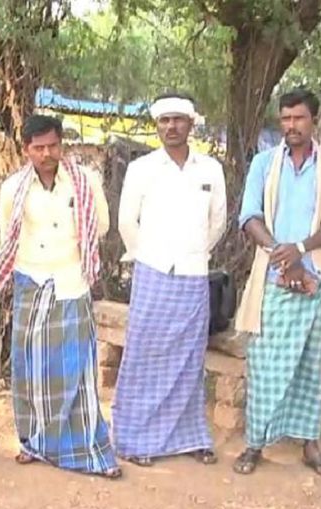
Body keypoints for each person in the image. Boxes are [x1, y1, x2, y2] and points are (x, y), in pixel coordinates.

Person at [0, 114, 121, 479]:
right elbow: (8, 236)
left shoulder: (84, 181)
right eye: (39, 147)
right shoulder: (13, 189)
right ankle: (33, 443)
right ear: (26, 149)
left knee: (76, 370)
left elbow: (102, 226)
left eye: (53, 146)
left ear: (61, 145)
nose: (47, 154)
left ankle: (85, 447)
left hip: (72, 281)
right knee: (32, 370)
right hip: (31, 281)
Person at [233, 88, 321, 479]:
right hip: (272, 275)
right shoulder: (265, 164)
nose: (291, 126)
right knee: (264, 363)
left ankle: (310, 446)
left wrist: (300, 249)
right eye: (285, 119)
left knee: (308, 366)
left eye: (298, 118)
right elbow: (249, 216)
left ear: (314, 120)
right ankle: (255, 443)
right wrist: (281, 253)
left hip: (314, 274)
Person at [113, 93, 227, 467]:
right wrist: (150, 257)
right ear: (156, 125)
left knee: (188, 360)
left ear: (191, 124)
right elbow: (127, 222)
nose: (171, 127)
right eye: (164, 121)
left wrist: (193, 254)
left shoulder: (210, 169)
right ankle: (137, 440)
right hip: (152, 273)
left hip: (194, 276)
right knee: (145, 358)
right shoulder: (142, 168)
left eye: (178, 120)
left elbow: (218, 223)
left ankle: (189, 438)